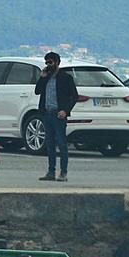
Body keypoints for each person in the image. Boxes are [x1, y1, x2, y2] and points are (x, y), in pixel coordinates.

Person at [34, 52, 77, 182]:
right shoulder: (46, 77)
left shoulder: (65, 78)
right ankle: (51, 171)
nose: (48, 65)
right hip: (47, 113)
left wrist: (65, 110)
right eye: (46, 63)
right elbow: (37, 91)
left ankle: (63, 172)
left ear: (57, 62)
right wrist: (42, 77)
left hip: (59, 115)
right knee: (49, 143)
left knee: (61, 143)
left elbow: (74, 96)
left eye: (50, 62)